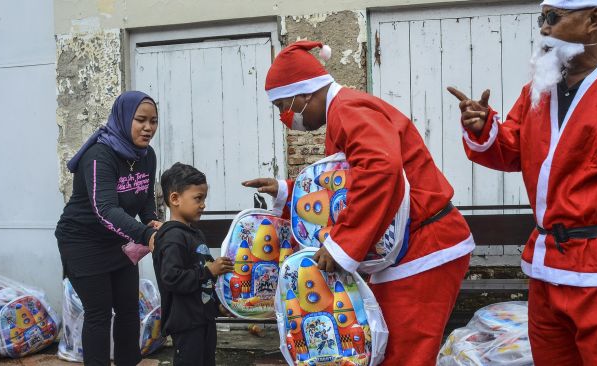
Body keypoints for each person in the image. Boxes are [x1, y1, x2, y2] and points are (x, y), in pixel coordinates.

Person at [243, 40, 475, 365]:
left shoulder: (348, 111)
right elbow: (341, 185)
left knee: (405, 355)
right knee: (387, 350)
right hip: (409, 249)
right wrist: (285, 190)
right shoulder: (342, 112)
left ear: (305, 93)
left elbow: (380, 169)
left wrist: (342, 244)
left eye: (285, 105)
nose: (286, 117)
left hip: (425, 247)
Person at [448, 0, 597, 363]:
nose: (543, 29)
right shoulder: (541, 87)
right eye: (541, 18)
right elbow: (513, 151)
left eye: (553, 18)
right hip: (544, 271)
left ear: (594, 20)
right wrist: (483, 128)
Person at [55, 91, 161, 365]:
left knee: (128, 310)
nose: (148, 128)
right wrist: (145, 234)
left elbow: (146, 198)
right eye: (140, 120)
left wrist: (154, 222)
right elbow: (105, 209)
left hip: (118, 241)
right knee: (99, 313)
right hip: (82, 242)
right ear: (124, 119)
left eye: (153, 121)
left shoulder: (146, 156)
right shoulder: (99, 155)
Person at [152, 162, 234, 366]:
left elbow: (204, 282)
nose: (203, 204)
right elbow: (171, 278)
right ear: (175, 199)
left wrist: (218, 306)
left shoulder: (195, 234)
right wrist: (209, 270)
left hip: (204, 319)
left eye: (204, 198)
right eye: (198, 198)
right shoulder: (172, 237)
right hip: (186, 323)